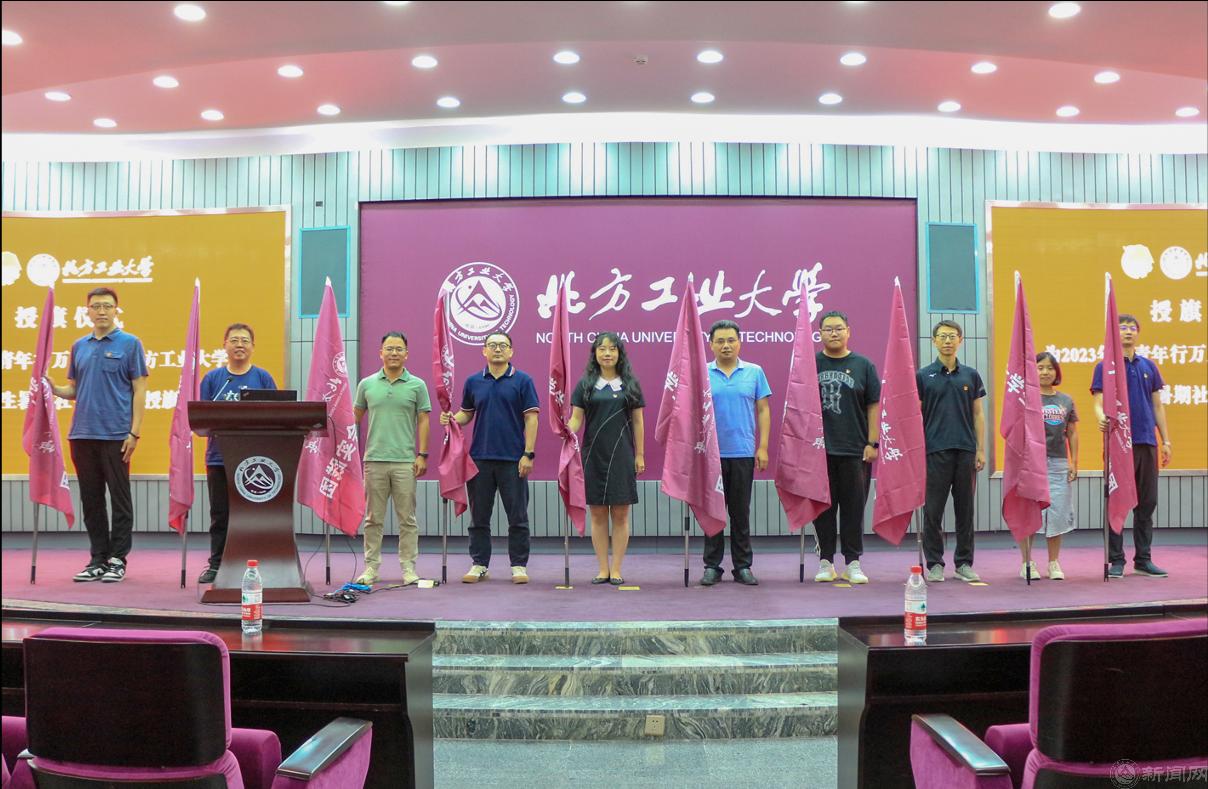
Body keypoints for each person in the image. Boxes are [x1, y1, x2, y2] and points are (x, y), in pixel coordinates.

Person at [50, 287, 149, 583]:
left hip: (117, 434)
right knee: (91, 500)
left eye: (107, 306)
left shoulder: (130, 343)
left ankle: (117, 559)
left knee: (119, 499)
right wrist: (52, 388)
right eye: (96, 306)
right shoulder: (79, 346)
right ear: (88, 311)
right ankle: (98, 558)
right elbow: (74, 390)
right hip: (82, 434)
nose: (101, 311)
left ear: (116, 310)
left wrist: (134, 432)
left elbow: (140, 389)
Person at [441, 332, 539, 584]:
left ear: (511, 351)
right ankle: (479, 564)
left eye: (503, 345)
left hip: (513, 459)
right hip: (480, 459)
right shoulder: (474, 381)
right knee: (479, 517)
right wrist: (452, 419)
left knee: (517, 517)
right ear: (484, 350)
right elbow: (466, 414)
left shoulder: (523, 381)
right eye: (492, 345)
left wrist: (528, 453)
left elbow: (531, 418)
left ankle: (518, 565)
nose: (497, 349)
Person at [1091, 313, 1172, 579]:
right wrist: (1100, 417)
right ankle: (1116, 559)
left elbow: (1157, 405)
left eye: (1132, 328)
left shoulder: (1148, 366)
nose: (1127, 331)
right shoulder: (1105, 366)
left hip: (1146, 441)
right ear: (1114, 333)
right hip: (1119, 444)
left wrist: (1166, 440)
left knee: (1147, 503)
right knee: (1117, 501)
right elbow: (1098, 400)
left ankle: (1143, 559)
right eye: (1122, 327)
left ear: (1138, 333)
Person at [196, 323, 277, 584]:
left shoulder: (263, 378)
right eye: (234, 340)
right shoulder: (213, 379)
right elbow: (200, 419)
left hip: (254, 461)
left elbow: (276, 416)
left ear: (253, 346)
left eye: (244, 340)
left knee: (252, 515)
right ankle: (217, 564)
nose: (239, 345)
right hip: (219, 457)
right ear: (225, 345)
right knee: (220, 514)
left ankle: (254, 563)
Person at [351, 332, 432, 587]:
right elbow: (354, 418)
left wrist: (422, 454)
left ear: (406, 354)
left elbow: (424, 421)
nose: (394, 353)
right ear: (381, 353)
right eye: (389, 348)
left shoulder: (417, 385)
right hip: (373, 460)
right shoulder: (366, 384)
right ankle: (371, 567)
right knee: (373, 519)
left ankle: (408, 568)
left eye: (399, 349)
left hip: (405, 462)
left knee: (407, 519)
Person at [567, 333, 646, 585]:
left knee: (621, 514)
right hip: (593, 454)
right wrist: (566, 430)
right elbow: (576, 419)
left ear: (620, 353)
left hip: (622, 454)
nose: (607, 353)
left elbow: (638, 422)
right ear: (595, 354)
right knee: (598, 514)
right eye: (602, 349)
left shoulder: (630, 384)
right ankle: (603, 568)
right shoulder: (586, 384)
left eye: (612, 349)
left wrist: (640, 455)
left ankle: (617, 569)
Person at [700, 320, 771, 587]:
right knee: (713, 512)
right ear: (711, 344)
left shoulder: (754, 372)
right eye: (720, 341)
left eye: (731, 340)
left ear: (739, 342)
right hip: (711, 455)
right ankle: (712, 566)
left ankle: (742, 566)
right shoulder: (702, 373)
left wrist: (762, 447)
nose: (726, 346)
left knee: (740, 513)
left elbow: (763, 410)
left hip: (742, 452)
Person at [812, 311, 880, 585]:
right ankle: (825, 562)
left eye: (839, 328)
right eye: (828, 329)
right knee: (823, 509)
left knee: (854, 509)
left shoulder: (863, 365)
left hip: (855, 449)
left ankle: (853, 562)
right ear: (820, 334)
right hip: (820, 451)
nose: (834, 333)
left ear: (848, 331)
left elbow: (873, 406)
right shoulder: (810, 363)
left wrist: (872, 442)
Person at [917, 320, 987, 583]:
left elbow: (978, 415)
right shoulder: (923, 376)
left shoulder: (971, 375)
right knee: (933, 511)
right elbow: (916, 415)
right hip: (934, 450)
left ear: (961, 340)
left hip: (965, 450)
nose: (947, 340)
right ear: (934, 340)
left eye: (952, 336)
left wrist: (980, 449)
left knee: (965, 510)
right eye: (942, 336)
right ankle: (935, 564)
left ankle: (964, 563)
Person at [1017, 351, 1078, 581]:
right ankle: (1027, 562)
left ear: (1056, 372)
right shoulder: (1025, 398)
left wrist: (1074, 462)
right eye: (1040, 367)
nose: (1045, 372)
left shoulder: (1066, 400)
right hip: (1031, 463)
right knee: (1029, 514)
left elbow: (1072, 432)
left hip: (1058, 463)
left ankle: (1053, 563)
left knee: (1057, 513)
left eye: (1050, 368)